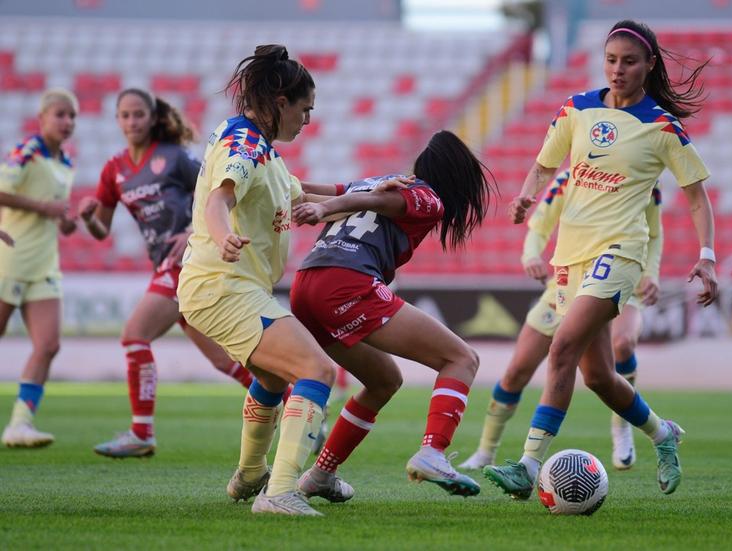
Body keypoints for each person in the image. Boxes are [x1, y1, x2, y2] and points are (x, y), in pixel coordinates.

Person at [483, 19, 718, 499]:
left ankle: (528, 466)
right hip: (570, 256)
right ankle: (662, 434)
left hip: (621, 251)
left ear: (649, 65)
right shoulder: (576, 108)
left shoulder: (661, 126)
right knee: (598, 377)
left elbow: (696, 197)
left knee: (562, 345)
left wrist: (707, 257)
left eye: (629, 61)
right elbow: (545, 164)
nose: (618, 69)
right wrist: (526, 197)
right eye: (611, 60)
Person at [289, 129, 494, 503]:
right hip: (346, 283)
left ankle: (320, 476)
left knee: (383, 380)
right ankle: (432, 451)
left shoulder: (375, 182)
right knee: (461, 358)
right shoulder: (429, 198)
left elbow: (306, 190)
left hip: (306, 286)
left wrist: (274, 179)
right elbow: (378, 204)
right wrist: (322, 210)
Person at [177, 44, 338, 517]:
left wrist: (376, 189)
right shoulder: (244, 145)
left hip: (229, 287)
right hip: (221, 286)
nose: (308, 120)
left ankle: (250, 475)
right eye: (305, 109)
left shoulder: (261, 149)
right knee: (317, 371)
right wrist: (225, 236)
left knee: (271, 375)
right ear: (281, 102)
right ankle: (281, 492)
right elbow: (218, 200)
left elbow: (304, 193)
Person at [78, 89, 254, 459]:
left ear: (153, 117)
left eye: (138, 114)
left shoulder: (175, 159)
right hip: (165, 265)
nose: (131, 122)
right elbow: (101, 231)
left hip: (189, 260)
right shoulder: (114, 170)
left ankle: (141, 432)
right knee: (224, 360)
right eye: (124, 116)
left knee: (134, 335)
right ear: (117, 120)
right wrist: (87, 217)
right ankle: (296, 404)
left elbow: (219, 197)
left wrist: (193, 231)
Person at [459, 170, 663, 471]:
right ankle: (486, 451)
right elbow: (540, 223)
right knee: (518, 370)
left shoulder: (643, 174)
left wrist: (652, 272)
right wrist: (530, 255)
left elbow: (655, 231)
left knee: (622, 344)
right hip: (567, 282)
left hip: (618, 273)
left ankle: (621, 428)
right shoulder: (571, 176)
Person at [0, 89, 79, 448]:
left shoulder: (66, 163)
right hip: (11, 258)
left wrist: (66, 221)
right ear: (42, 118)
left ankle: (19, 424)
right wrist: (43, 208)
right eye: (60, 114)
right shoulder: (26, 151)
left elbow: (56, 213)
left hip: (45, 263)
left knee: (48, 344)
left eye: (72, 116)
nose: (67, 122)